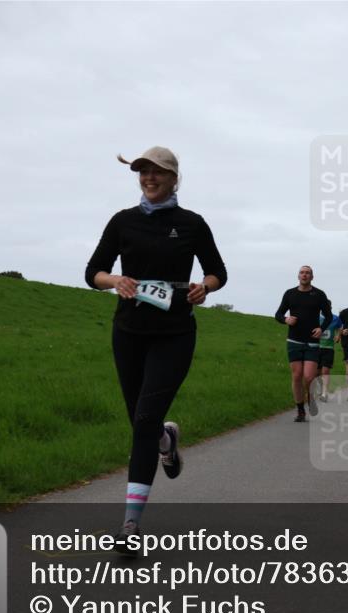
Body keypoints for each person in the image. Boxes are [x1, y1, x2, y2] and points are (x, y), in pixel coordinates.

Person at [86, 146, 227, 555]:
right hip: (128, 331)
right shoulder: (122, 221)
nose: (148, 178)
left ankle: (130, 524)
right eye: (142, 172)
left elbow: (218, 270)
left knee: (145, 417)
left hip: (175, 332)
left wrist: (206, 286)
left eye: (157, 173)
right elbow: (91, 271)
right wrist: (115, 281)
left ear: (173, 177)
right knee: (141, 421)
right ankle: (165, 440)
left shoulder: (191, 224)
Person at [275, 266, 332, 422]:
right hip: (294, 340)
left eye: (307, 273)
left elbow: (328, 317)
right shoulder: (290, 294)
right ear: (298, 276)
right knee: (297, 375)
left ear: (312, 277)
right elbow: (278, 314)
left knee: (308, 377)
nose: (304, 275)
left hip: (312, 341)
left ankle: (311, 398)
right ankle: (300, 410)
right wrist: (286, 319)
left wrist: (322, 329)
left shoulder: (319, 295)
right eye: (302, 272)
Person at [316, 303, 342, 401]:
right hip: (316, 348)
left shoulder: (335, 318)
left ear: (330, 307)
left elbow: (340, 327)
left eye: (329, 307)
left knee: (325, 371)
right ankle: (319, 389)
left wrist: (338, 336)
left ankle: (324, 394)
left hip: (329, 348)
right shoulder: (316, 317)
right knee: (317, 372)